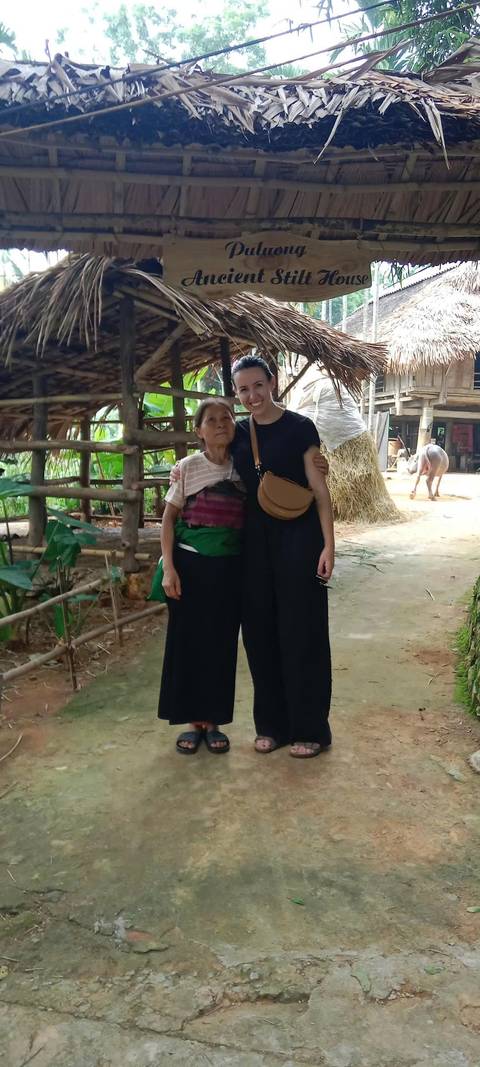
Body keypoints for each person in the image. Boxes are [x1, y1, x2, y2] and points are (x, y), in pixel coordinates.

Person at [229, 355, 334, 759]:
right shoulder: (238, 432)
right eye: (243, 389)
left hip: (300, 539)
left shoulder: (300, 428)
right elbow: (213, 464)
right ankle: (270, 725)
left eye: (258, 385)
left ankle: (310, 729)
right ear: (237, 393)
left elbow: (320, 491)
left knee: (303, 631)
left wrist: (329, 544)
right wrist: (178, 474)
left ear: (272, 382)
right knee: (259, 634)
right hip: (253, 546)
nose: (252, 395)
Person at [158, 398, 245, 754]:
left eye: (227, 417)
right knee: (189, 644)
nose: (221, 423)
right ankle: (194, 722)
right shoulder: (187, 468)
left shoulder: (245, 469)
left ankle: (215, 720)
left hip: (231, 568)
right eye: (211, 420)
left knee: (222, 644)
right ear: (199, 431)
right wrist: (169, 567)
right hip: (191, 567)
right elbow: (168, 519)